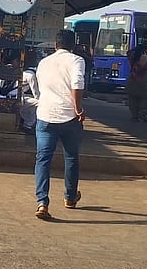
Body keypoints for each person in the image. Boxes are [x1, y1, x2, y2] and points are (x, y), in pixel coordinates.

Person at [33, 29, 86, 220]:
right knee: (71, 157)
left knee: (43, 160)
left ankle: (42, 203)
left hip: (46, 115)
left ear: (55, 45)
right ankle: (70, 197)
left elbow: (40, 88)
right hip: (69, 118)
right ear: (73, 45)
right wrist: (78, 108)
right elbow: (77, 84)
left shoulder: (43, 63)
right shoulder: (77, 61)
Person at [126, 45, 147, 122]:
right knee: (144, 100)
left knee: (132, 99)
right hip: (143, 81)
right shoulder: (146, 58)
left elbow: (128, 52)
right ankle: (142, 115)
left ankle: (134, 116)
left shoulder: (132, 57)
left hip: (132, 79)